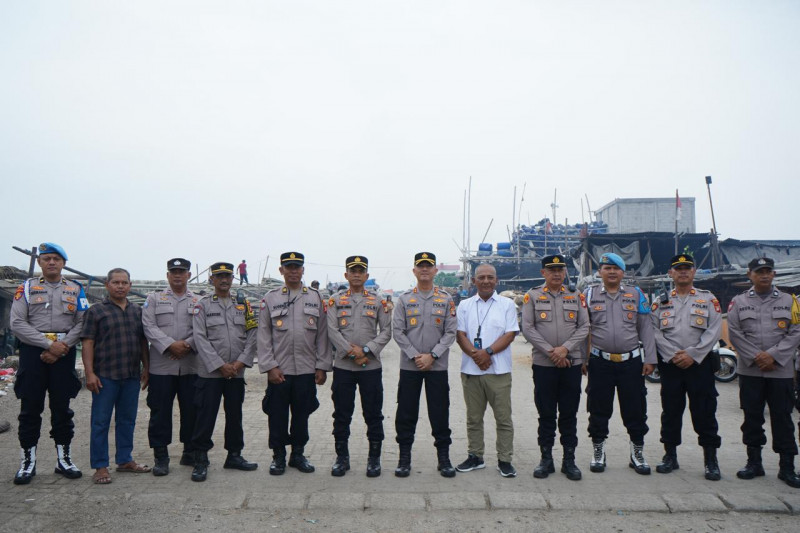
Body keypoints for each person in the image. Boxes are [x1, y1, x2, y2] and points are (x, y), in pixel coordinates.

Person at [9, 243, 87, 484]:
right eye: (46, 259)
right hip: (34, 354)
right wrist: (47, 345)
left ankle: (64, 459)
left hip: (64, 354)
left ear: (63, 263)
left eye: (56, 258)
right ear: (40, 262)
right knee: (30, 408)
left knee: (62, 408)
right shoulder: (27, 287)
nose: (51, 262)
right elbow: (17, 323)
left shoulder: (76, 289)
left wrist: (62, 347)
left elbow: (84, 322)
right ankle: (27, 462)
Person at [728, 257, 800, 488]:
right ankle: (754, 463)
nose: (764, 275)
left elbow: (796, 331)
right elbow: (735, 333)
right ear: (750, 275)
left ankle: (787, 467)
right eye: (759, 272)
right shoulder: (738, 302)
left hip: (780, 371)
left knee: (783, 418)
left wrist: (774, 356)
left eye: (768, 271)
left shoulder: (790, 301)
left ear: (774, 274)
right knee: (752, 417)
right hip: (750, 371)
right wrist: (757, 357)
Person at [258, 252, 331, 475]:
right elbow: (263, 335)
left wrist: (321, 366)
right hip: (279, 370)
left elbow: (322, 335)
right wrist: (270, 366)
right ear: (281, 270)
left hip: (306, 370)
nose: (293, 271)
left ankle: (297, 454)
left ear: (303, 270)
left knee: (302, 414)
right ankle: (278, 456)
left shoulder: (315, 297)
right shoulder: (270, 298)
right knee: (277, 415)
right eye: (288, 267)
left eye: (297, 267)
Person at [583, 253, 656, 475]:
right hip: (599, 361)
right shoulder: (588, 295)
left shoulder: (636, 294)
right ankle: (598, 452)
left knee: (635, 409)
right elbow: (582, 329)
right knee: (598, 408)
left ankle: (637, 453)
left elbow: (646, 327)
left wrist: (651, 358)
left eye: (616, 268)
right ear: (600, 272)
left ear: (623, 273)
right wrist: (582, 359)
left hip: (631, 362)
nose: (612, 272)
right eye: (607, 268)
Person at [651, 254, 723, 480]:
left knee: (704, 411)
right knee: (671, 411)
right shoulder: (660, 301)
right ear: (671, 273)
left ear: (693, 272)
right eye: (678, 268)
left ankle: (711, 460)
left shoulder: (707, 299)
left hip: (699, 365)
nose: (682, 272)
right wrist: (674, 355)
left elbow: (714, 330)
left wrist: (692, 354)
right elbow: (654, 331)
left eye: (687, 268)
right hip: (671, 366)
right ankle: (670, 456)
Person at [521, 254, 589, 481]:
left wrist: (565, 350)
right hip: (544, 365)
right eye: (552, 270)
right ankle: (546, 459)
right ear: (543, 273)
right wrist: (553, 352)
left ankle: (569, 461)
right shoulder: (532, 296)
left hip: (571, 364)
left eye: (561, 269)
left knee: (569, 414)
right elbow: (528, 328)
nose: (557, 273)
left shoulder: (576, 296)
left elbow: (584, 326)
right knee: (546, 413)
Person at [190, 262, 258, 482]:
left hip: (236, 372)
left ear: (232, 279)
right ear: (212, 280)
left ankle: (234, 455)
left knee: (235, 415)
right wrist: (220, 365)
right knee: (205, 416)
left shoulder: (244, 304)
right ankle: (200, 459)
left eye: (227, 276)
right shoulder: (202, 305)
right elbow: (199, 338)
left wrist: (240, 363)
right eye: (219, 276)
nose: (224, 280)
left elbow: (252, 334)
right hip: (210, 373)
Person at [81, 268, 151, 485]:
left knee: (127, 421)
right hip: (105, 376)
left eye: (124, 283)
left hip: (130, 375)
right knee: (100, 422)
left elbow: (142, 343)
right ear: (107, 285)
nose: (120, 286)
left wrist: (146, 368)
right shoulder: (96, 312)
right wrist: (90, 373)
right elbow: (88, 343)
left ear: (130, 285)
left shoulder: (137, 311)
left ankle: (124, 460)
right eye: (116, 282)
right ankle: (100, 466)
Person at [393, 252, 458, 478]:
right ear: (414, 271)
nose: (424, 270)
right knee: (406, 412)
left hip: (437, 367)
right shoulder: (403, 299)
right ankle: (404, 459)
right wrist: (415, 356)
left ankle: (444, 458)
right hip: (410, 367)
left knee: (440, 412)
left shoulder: (446, 299)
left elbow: (450, 332)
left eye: (428, 266)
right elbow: (398, 332)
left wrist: (432, 356)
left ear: (435, 271)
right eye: (420, 266)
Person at [327, 256, 392, 477]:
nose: (356, 274)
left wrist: (365, 351)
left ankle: (374, 459)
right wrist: (351, 352)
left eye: (360, 271)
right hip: (344, 367)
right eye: (352, 271)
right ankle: (341, 458)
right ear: (345, 275)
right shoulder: (335, 300)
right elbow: (332, 331)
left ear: (366, 275)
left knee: (373, 414)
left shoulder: (378, 301)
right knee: (342, 414)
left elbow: (386, 331)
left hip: (370, 367)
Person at [454, 263, 518, 477]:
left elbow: (510, 334)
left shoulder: (507, 304)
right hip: (472, 371)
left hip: (498, 371)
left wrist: (487, 352)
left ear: (496, 281)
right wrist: (476, 354)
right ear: (474, 281)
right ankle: (475, 456)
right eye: (481, 277)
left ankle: (505, 459)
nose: (486, 281)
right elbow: (460, 334)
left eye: (490, 277)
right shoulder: (464, 305)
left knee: (503, 418)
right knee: (473, 418)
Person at [141, 258, 199, 476]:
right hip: (161, 367)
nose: (177, 275)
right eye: (173, 271)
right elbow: (148, 326)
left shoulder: (198, 300)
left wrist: (186, 346)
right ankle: (161, 456)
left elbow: (201, 329)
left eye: (181, 271)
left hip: (190, 365)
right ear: (167, 275)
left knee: (192, 410)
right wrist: (169, 345)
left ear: (188, 275)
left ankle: (190, 452)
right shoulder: (154, 299)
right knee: (160, 412)